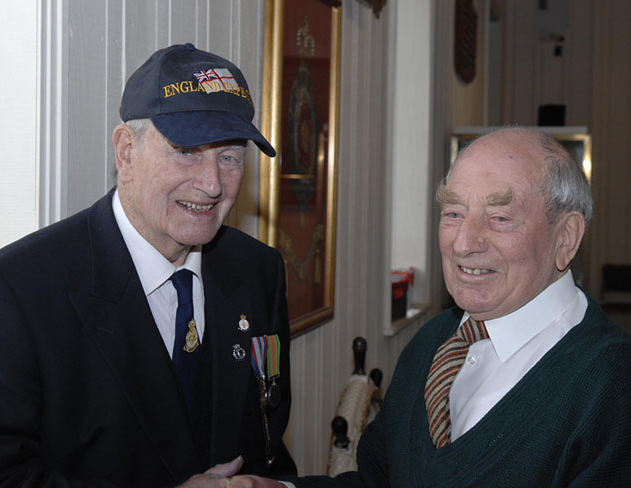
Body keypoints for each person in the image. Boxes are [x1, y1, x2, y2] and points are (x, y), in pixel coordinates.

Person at [219, 127, 631, 487]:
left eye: (500, 217)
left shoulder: (613, 388)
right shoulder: (434, 343)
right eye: (453, 212)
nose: (464, 242)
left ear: (566, 238)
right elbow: (377, 482)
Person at [0, 43, 296, 487]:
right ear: (126, 152)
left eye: (230, 157)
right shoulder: (23, 287)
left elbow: (267, 447)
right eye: (187, 151)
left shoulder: (258, 271)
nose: (213, 184)